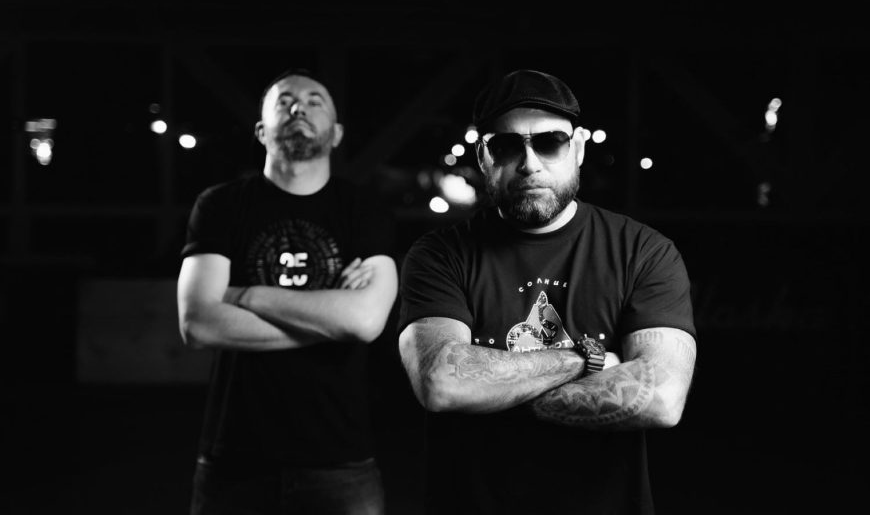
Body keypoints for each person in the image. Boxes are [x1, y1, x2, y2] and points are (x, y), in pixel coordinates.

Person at [397, 69, 697, 514]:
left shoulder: (644, 251)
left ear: (578, 148)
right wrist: (587, 361)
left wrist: (490, 391)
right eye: (506, 145)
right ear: (483, 156)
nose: (530, 163)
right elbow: (441, 383)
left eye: (550, 142)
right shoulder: (440, 255)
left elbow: (661, 398)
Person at [177, 68, 398, 515]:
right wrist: (330, 320)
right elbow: (198, 323)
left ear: (336, 133)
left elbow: (364, 321)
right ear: (262, 131)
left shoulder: (364, 209)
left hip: (340, 458)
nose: (299, 107)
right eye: (285, 101)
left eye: (316, 101)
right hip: (235, 456)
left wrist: (245, 296)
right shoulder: (220, 205)